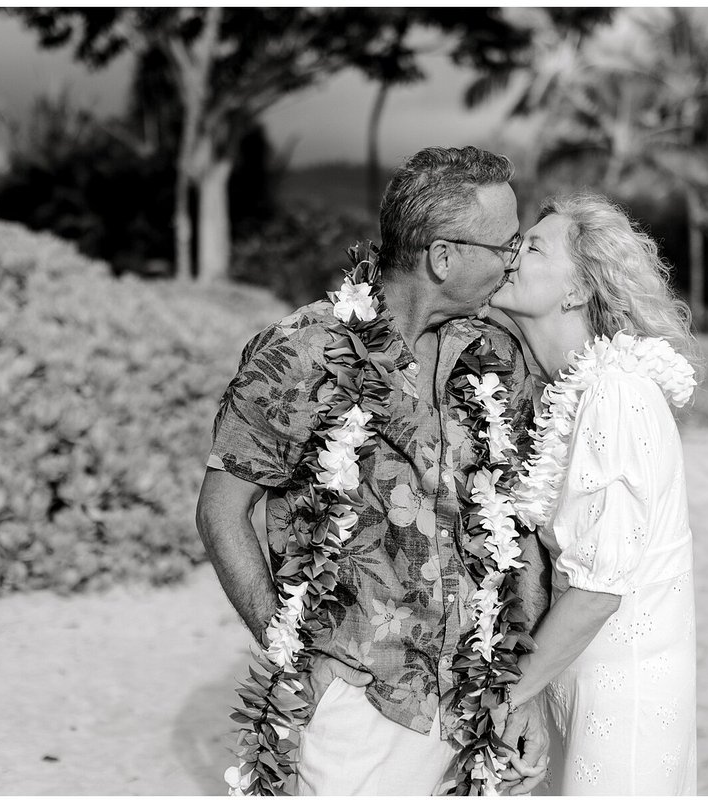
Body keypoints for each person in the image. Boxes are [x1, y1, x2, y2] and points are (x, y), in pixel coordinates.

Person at [196, 146, 550, 795]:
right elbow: (222, 510)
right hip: (358, 709)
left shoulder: (498, 355)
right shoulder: (301, 354)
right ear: (443, 257)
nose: (514, 259)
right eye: (506, 244)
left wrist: (522, 688)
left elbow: (519, 528)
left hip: (479, 708)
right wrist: (290, 648)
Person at [490, 192, 699, 795]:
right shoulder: (574, 391)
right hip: (576, 679)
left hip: (624, 701)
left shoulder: (617, 395)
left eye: (532, 247)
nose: (511, 254)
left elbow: (598, 587)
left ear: (577, 290)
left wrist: (503, 701)